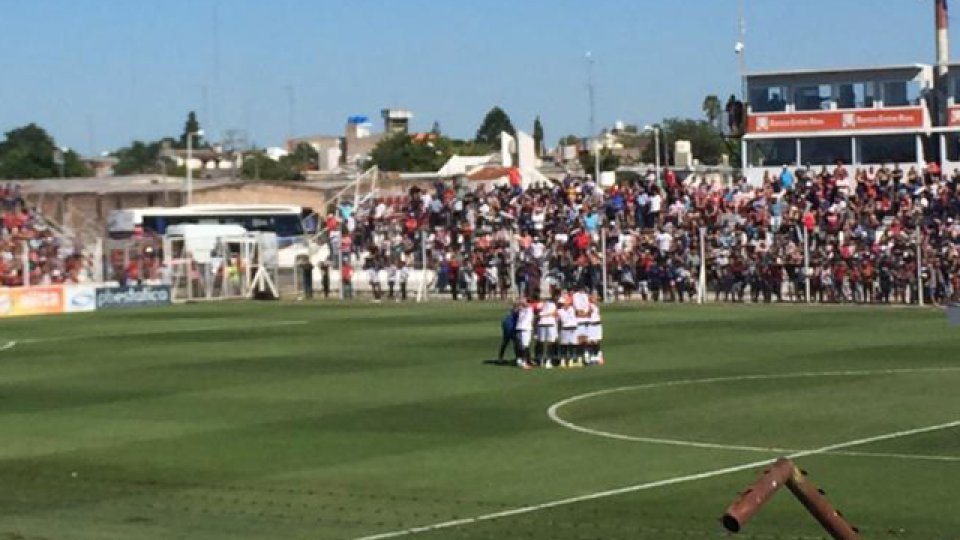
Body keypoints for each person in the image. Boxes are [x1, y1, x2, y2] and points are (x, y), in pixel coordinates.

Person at [535, 294, 559, 368]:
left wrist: (544, 315)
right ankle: (545, 360)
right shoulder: (541, 304)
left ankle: (544, 360)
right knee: (548, 343)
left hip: (545, 324)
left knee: (543, 343)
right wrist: (548, 314)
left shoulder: (545, 304)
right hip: (547, 324)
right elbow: (538, 314)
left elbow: (554, 313)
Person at [557, 295, 580, 368]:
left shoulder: (572, 309)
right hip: (565, 328)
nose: (565, 304)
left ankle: (571, 361)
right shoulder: (559, 311)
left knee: (573, 345)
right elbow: (559, 321)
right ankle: (563, 361)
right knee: (564, 345)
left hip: (573, 328)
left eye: (566, 303)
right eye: (563, 303)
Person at [515, 298, 534, 369]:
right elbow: (515, 309)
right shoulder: (521, 309)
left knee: (524, 346)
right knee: (522, 346)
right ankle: (523, 362)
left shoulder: (529, 308)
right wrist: (519, 303)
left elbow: (526, 305)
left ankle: (523, 361)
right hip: (521, 328)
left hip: (525, 329)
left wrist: (522, 302)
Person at [587, 294, 604, 366]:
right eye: (593, 298)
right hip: (592, 325)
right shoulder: (589, 305)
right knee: (592, 341)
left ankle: (598, 356)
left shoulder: (596, 305)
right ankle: (593, 357)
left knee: (597, 341)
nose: (595, 299)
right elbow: (588, 314)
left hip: (598, 325)